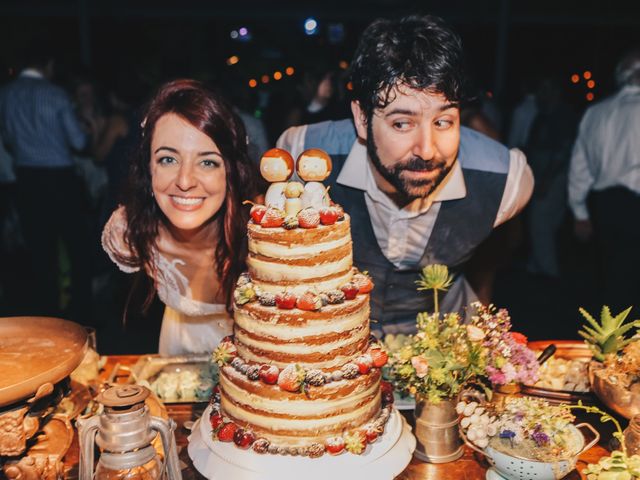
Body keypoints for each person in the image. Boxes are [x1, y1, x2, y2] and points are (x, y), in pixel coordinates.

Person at [278, 15, 533, 334]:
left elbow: (492, 259)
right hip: (338, 345)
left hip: (443, 352)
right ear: (361, 118)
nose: (427, 150)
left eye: (443, 122)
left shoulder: (506, 180)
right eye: (402, 123)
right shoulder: (304, 156)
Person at [102, 79, 258, 355]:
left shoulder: (265, 231)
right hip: (176, 363)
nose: (185, 181)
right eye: (168, 160)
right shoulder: (129, 230)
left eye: (207, 162)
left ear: (231, 172)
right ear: (148, 168)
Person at [0, 45, 93, 323]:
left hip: (27, 179)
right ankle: (81, 314)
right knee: (78, 248)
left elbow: (6, 139)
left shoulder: (5, 94)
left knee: (41, 251)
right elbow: (78, 141)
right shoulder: (56, 94)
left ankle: (49, 318)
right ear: (48, 64)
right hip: (60, 178)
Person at [568, 48, 640, 313]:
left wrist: (580, 212)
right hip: (633, 205)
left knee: (614, 279)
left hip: (606, 205)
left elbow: (579, 166)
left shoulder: (596, 112)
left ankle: (616, 345)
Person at [524, 77, 578, 278]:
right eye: (540, 89)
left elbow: (562, 152)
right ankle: (537, 264)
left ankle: (548, 271)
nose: (541, 94)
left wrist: (547, 179)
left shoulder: (562, 116)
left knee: (540, 221)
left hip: (554, 177)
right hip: (542, 175)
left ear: (557, 92)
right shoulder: (542, 115)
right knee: (544, 222)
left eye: (546, 89)